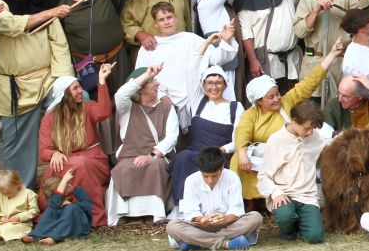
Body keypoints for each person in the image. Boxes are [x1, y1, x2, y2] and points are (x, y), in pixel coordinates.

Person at [61, 0, 190, 112]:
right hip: (88, 67)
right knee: (94, 106)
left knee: (123, 99)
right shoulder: (64, 7)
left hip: (116, 59)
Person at [232, 39, 341, 201]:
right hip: (260, 159)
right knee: (238, 159)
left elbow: (309, 82)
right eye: (271, 97)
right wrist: (242, 154)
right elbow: (242, 133)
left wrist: (332, 55)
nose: (277, 98)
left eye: (277, 94)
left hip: (288, 155)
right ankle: (252, 201)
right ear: (259, 101)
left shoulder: (287, 101)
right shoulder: (251, 114)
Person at [0, 0, 74, 188]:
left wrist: (66, 82)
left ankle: (72, 180)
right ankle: (18, 193)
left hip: (47, 79)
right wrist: (51, 12)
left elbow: (60, 47)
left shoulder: (42, 5)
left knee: (76, 102)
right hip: (15, 87)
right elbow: (11, 25)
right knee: (18, 143)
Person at [134, 3, 237, 126]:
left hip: (192, 99)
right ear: (155, 23)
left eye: (169, 17)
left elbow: (217, 59)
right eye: (161, 19)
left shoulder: (190, 39)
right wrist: (162, 97)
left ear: (176, 18)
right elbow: (141, 79)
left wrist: (227, 40)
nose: (166, 22)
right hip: (161, 103)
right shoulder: (148, 48)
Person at [39, 65, 115, 227]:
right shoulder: (50, 118)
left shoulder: (87, 108)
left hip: (92, 158)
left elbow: (103, 112)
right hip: (65, 159)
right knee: (56, 169)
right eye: (75, 89)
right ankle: (55, 215)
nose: (80, 91)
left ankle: (91, 216)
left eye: (79, 87)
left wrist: (101, 81)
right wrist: (53, 154)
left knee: (80, 164)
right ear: (65, 95)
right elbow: (44, 150)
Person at [293, 0, 369, 102]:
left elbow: (364, 19)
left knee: (341, 103)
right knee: (313, 105)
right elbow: (299, 31)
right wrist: (316, 10)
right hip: (315, 62)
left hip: (341, 62)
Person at [107, 65, 178, 224]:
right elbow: (121, 94)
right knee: (123, 168)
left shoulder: (167, 107)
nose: (157, 84)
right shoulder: (127, 108)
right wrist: (146, 75)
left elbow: (172, 137)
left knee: (155, 166)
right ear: (140, 88)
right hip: (129, 155)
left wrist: (151, 155)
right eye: (152, 81)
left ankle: (154, 213)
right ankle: (123, 214)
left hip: (157, 156)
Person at [170, 65, 245, 209]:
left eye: (218, 83)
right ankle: (183, 208)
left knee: (213, 163)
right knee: (183, 157)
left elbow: (239, 137)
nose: (214, 87)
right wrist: (205, 48)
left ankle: (216, 208)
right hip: (195, 151)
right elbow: (191, 69)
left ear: (225, 85)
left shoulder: (235, 107)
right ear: (204, 86)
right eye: (210, 83)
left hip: (219, 153)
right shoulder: (198, 102)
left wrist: (223, 149)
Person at [258, 99, 330, 243]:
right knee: (285, 216)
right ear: (295, 120)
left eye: (313, 128)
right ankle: (288, 230)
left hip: (307, 196)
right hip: (284, 194)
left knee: (315, 237)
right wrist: (276, 192)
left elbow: (327, 146)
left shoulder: (314, 136)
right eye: (306, 128)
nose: (310, 132)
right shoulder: (276, 140)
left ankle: (301, 226)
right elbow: (264, 176)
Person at [166, 146, 264, 251]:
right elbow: (191, 213)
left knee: (256, 218)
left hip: (228, 225)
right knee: (172, 226)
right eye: (205, 176)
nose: (210, 180)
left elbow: (237, 209)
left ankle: (198, 243)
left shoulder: (232, 178)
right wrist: (202, 220)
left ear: (221, 167)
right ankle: (225, 244)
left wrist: (225, 218)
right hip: (201, 227)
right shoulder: (191, 180)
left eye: (214, 176)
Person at [25, 169, 92, 245]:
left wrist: (73, 203)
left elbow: (87, 207)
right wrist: (62, 186)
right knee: (50, 211)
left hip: (78, 224)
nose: (69, 185)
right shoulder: (55, 199)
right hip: (59, 225)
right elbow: (54, 206)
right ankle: (36, 235)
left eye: (68, 183)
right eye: (65, 185)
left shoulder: (78, 191)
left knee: (71, 208)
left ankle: (54, 238)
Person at [0, 169, 39, 242]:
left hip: (20, 224)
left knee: (4, 230)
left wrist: (20, 217)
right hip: (1, 223)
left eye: (9, 192)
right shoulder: (0, 195)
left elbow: (34, 210)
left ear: (17, 184)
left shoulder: (28, 194)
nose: (6, 195)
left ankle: (0, 238)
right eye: (3, 193)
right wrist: (0, 217)